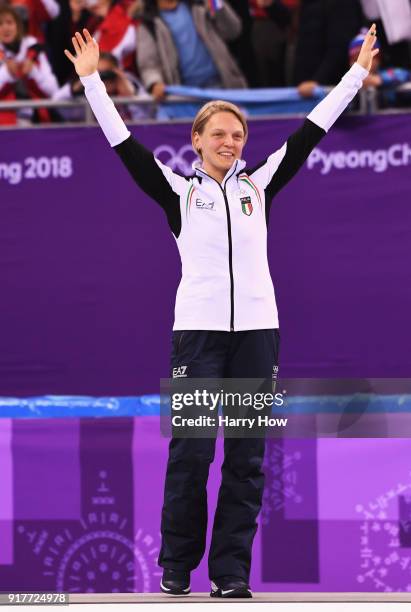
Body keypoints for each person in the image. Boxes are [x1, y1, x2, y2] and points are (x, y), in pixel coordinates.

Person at [64, 24, 378, 598]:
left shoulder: (259, 186)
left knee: (247, 459)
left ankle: (230, 572)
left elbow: (312, 130)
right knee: (191, 452)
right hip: (198, 340)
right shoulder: (180, 194)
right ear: (197, 139)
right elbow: (125, 146)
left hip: (258, 336)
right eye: (219, 134)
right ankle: (177, 567)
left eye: (238, 134)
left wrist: (356, 73)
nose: (231, 142)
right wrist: (91, 83)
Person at [136, 0, 246, 102]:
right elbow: (149, 65)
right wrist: (155, 83)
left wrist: (215, 2)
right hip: (184, 98)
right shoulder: (148, 24)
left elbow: (233, 31)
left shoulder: (200, 4)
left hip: (223, 87)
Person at [0, 5, 59, 124]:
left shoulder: (34, 49)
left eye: (9, 22)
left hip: (37, 122)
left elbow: (54, 90)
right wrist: (6, 73)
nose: (5, 28)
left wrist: (33, 72)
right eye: (0, 24)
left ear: (18, 26)